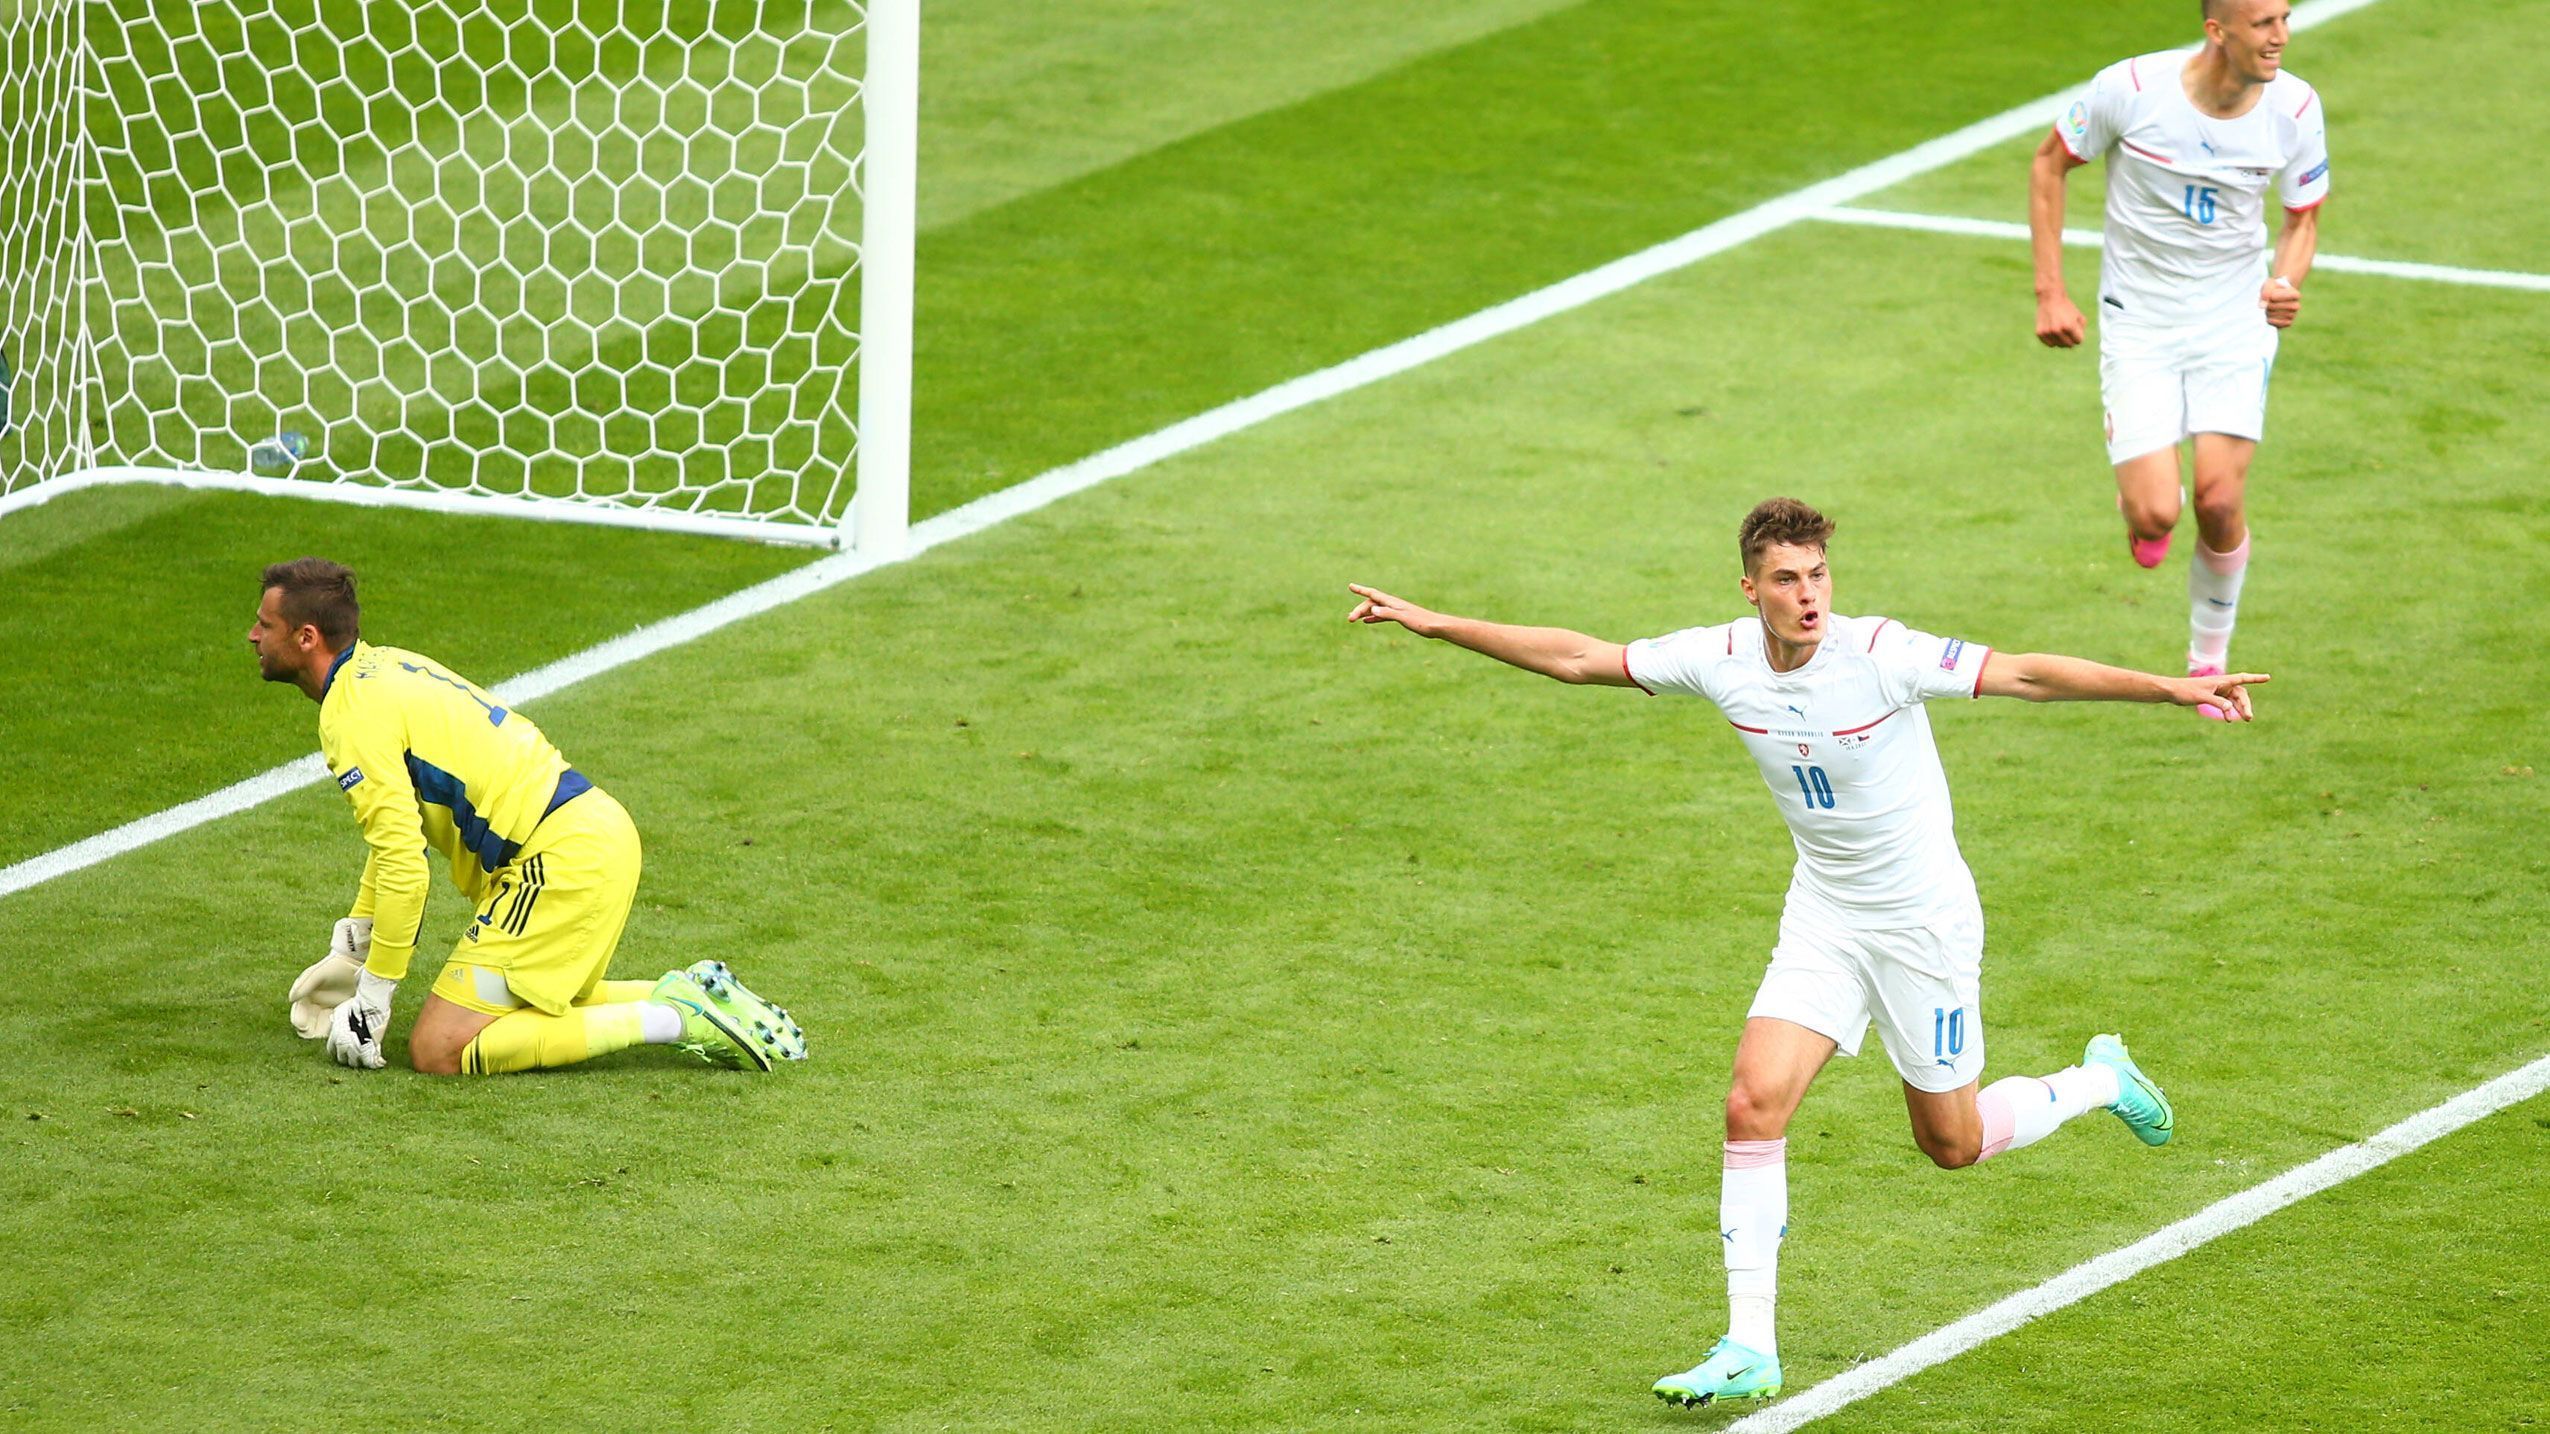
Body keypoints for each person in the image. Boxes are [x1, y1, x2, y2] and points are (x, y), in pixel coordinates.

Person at [1345, 498, 2266, 1408]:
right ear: (1752, 589)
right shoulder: (1721, 658)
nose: (1810, 594)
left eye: (1819, 573)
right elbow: (1579, 658)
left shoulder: (1884, 655)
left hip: (1921, 928)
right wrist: (1433, 623)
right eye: (1787, 579)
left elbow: (2025, 674)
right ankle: (1750, 1343)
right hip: (1824, 915)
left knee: (1953, 1143)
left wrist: (2169, 685)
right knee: (1752, 1102)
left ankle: (2100, 1080)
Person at [250, 557, 805, 1075]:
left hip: (556, 861)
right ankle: (690, 993)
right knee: (547, 1000)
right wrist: (354, 948)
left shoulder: (354, 714)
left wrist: (374, 997)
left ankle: (677, 1019)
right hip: (592, 834)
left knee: (439, 1048)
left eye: (264, 624)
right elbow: (400, 835)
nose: (254, 636)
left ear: (306, 637)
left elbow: (404, 862)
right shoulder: (387, 667)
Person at [2030, 0, 2325, 716]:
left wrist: (2285, 281)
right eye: (2262, 23)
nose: (2280, 36)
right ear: (2217, 31)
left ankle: (2207, 661)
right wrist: (2051, 292)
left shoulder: (2294, 107)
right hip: (2141, 324)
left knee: (2220, 500)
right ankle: (2144, 516)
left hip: (2233, 323)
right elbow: (2049, 164)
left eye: (2285, 18)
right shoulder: (2129, 90)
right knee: (2161, 512)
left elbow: (2302, 217)